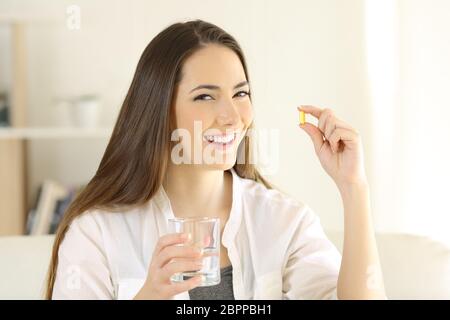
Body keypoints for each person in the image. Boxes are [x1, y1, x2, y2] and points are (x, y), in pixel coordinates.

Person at [46, 20, 386, 300]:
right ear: (160, 110)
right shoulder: (96, 232)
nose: (230, 116)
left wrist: (354, 187)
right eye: (205, 96)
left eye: (240, 93)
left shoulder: (284, 221)